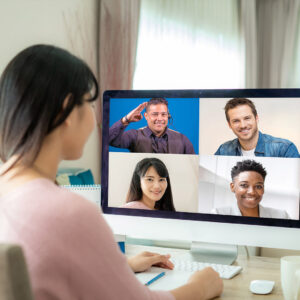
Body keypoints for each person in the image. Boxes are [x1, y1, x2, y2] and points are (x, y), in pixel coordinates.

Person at [0, 45, 222, 300]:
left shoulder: (10, 193)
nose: (95, 116)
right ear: (66, 112)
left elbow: (41, 269)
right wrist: (201, 287)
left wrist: (118, 266)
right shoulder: (68, 212)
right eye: (90, 104)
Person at [215, 98, 300, 158]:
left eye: (247, 118)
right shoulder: (223, 151)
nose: (243, 125)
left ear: (256, 118)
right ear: (229, 125)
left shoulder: (284, 149)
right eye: (236, 121)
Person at [109, 98, 195, 154]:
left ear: (168, 116)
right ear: (146, 116)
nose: (160, 118)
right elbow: (109, 139)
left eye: (163, 114)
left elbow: (193, 167)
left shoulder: (182, 140)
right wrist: (126, 119)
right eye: (155, 114)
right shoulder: (134, 135)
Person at [211, 160, 290, 218]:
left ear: (263, 189)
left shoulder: (282, 216)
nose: (252, 192)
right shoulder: (218, 214)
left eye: (258, 186)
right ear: (232, 187)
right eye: (244, 185)